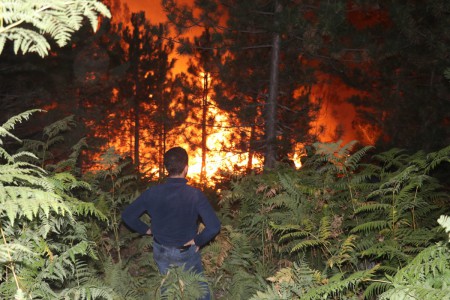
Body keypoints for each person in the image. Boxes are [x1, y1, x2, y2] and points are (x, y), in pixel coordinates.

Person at [121, 147, 221, 300]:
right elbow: (214, 226)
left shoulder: (152, 192)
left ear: (167, 168)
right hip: (187, 252)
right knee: (200, 290)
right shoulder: (194, 195)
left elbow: (128, 216)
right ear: (186, 168)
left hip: (160, 250)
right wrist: (197, 240)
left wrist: (147, 230)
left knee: (168, 290)